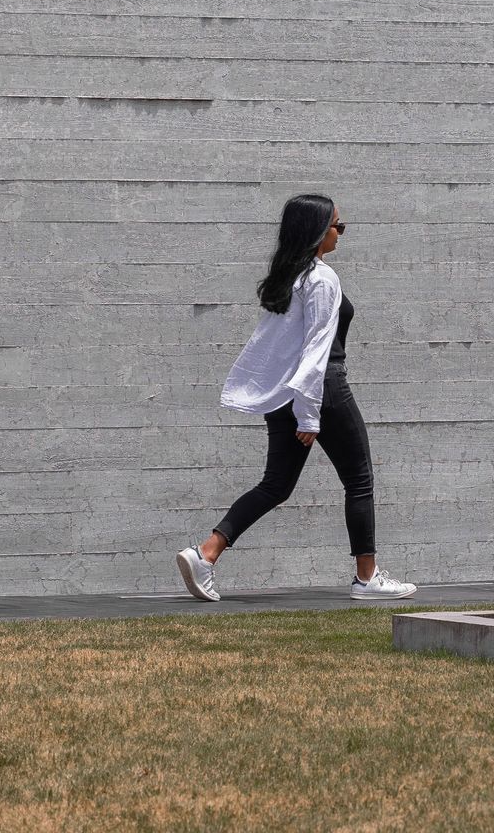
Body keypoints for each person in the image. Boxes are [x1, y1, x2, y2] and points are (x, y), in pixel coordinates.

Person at [175, 194, 417, 602]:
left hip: (287, 393)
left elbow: (270, 350)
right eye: (338, 225)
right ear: (319, 231)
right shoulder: (321, 278)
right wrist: (309, 414)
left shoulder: (288, 276)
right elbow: (316, 348)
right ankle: (367, 578)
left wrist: (288, 401)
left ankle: (205, 554)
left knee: (276, 485)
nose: (341, 233)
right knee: (359, 480)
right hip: (322, 390)